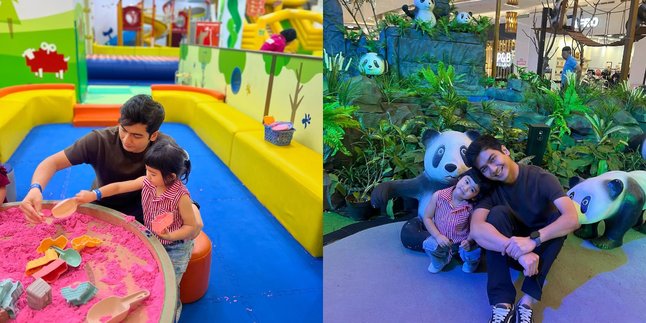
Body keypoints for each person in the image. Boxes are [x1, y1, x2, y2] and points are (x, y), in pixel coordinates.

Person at [19, 94, 203, 238]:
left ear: (153, 136)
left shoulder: (164, 148)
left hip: (143, 214)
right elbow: (51, 162)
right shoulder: (99, 140)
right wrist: (35, 188)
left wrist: (192, 206)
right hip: (101, 206)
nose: (126, 140)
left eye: (137, 136)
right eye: (123, 129)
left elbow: (173, 186)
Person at [75, 138, 196, 321]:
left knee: (170, 283)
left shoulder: (180, 196)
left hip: (176, 245)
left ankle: (173, 310)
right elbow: (119, 186)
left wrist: (170, 235)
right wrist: (94, 194)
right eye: (147, 169)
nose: (147, 175)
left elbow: (191, 226)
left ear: (170, 176)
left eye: (153, 173)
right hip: (154, 237)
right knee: (152, 274)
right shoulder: (147, 182)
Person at [464, 135, 580, 323]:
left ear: (505, 150)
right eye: (484, 169)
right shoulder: (492, 191)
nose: (492, 170)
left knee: (559, 219)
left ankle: (527, 302)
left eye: (492, 159)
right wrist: (519, 252)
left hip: (539, 254)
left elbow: (572, 218)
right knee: (496, 215)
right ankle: (502, 304)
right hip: (513, 254)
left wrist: (533, 240)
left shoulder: (541, 178)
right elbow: (477, 229)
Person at [421, 168, 490, 274]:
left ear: (475, 196)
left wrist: (469, 241)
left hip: (462, 241)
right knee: (429, 244)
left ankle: (471, 262)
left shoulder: (470, 207)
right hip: (442, 239)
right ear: (460, 177)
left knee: (474, 252)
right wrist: (438, 236)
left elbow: (474, 227)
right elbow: (427, 217)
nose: (465, 188)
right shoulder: (438, 196)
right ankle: (441, 260)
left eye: (472, 190)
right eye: (466, 181)